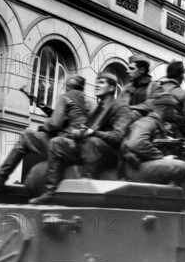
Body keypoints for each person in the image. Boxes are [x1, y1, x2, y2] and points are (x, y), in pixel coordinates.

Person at [29, 71, 132, 204]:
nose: (96, 85)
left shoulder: (121, 108)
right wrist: (76, 132)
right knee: (57, 142)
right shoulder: (97, 109)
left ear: (112, 88)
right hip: (90, 146)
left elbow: (117, 137)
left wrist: (93, 133)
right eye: (96, 82)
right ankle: (50, 192)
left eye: (101, 82)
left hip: (110, 154)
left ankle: (87, 181)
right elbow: (86, 128)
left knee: (90, 141)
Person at [0, 75, 90, 193]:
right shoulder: (89, 102)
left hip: (63, 147)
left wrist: (45, 125)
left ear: (68, 87)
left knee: (26, 137)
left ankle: (0, 177)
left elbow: (55, 124)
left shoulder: (66, 97)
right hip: (82, 152)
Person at [159, 60, 185, 139]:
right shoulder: (183, 95)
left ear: (167, 75)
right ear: (181, 77)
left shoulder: (156, 90)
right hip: (174, 143)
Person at [118, 55, 162, 121]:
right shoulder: (127, 88)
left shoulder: (154, 87)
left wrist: (129, 108)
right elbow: (118, 106)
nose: (127, 71)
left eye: (132, 69)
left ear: (142, 70)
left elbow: (150, 105)